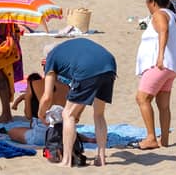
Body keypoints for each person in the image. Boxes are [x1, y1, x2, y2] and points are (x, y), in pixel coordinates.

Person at [39, 38, 117, 168]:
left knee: (67, 114)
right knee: (99, 114)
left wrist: (41, 115)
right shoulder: (68, 50)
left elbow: (47, 97)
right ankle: (101, 158)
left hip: (87, 68)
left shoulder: (51, 58)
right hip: (109, 64)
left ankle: (67, 160)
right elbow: (82, 96)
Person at [134, 0, 176, 150]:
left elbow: (164, 31)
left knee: (142, 98)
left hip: (160, 65)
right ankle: (164, 139)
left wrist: (160, 56)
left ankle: (151, 138)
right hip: (172, 66)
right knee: (163, 104)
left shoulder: (159, 15)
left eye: (147, 2)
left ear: (153, 2)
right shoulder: (172, 15)